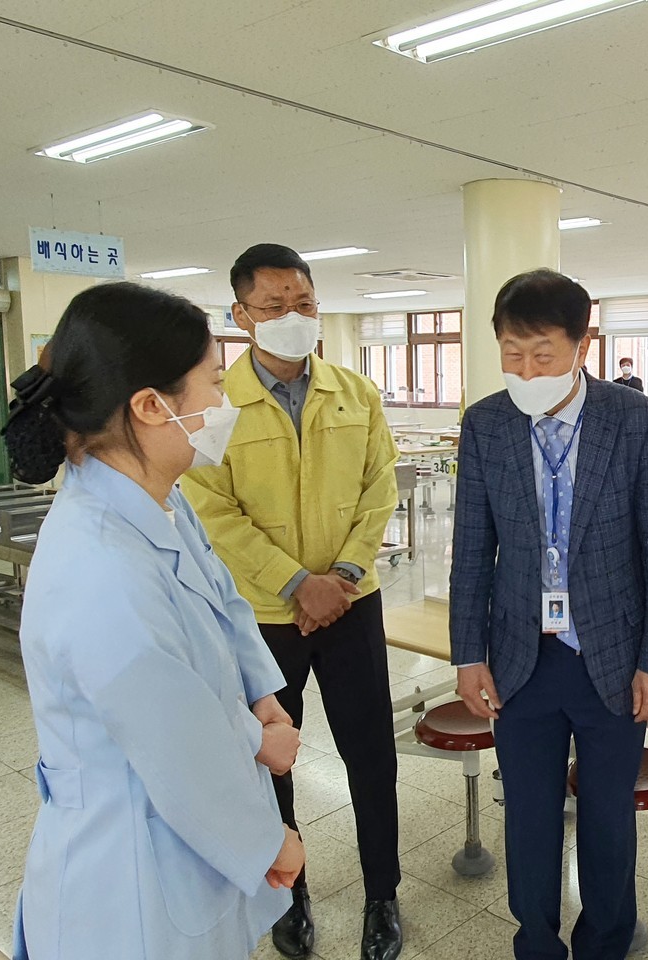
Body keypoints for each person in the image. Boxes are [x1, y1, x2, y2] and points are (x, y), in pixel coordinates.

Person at [3, 282, 305, 959]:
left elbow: (223, 597)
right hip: (128, 876)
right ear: (150, 406)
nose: (224, 403)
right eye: (211, 384)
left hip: (178, 841)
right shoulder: (99, 563)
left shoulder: (157, 500)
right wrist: (266, 839)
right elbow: (175, 738)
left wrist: (265, 698)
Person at [450, 269, 648, 960]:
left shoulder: (637, 422)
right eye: (511, 353)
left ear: (583, 344)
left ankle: (607, 940)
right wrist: (468, 654)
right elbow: (471, 551)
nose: (525, 369)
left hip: (611, 658)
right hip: (520, 657)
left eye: (542, 354)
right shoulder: (487, 424)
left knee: (609, 818)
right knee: (528, 815)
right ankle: (537, 941)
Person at [181, 244, 403, 960]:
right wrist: (294, 583)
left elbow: (380, 488)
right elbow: (212, 510)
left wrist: (338, 575)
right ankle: (288, 893)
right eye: (273, 306)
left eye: (303, 303)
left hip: (352, 604)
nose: (292, 317)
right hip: (263, 616)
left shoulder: (355, 392)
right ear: (241, 316)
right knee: (271, 757)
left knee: (372, 756)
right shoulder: (214, 408)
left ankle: (383, 897)